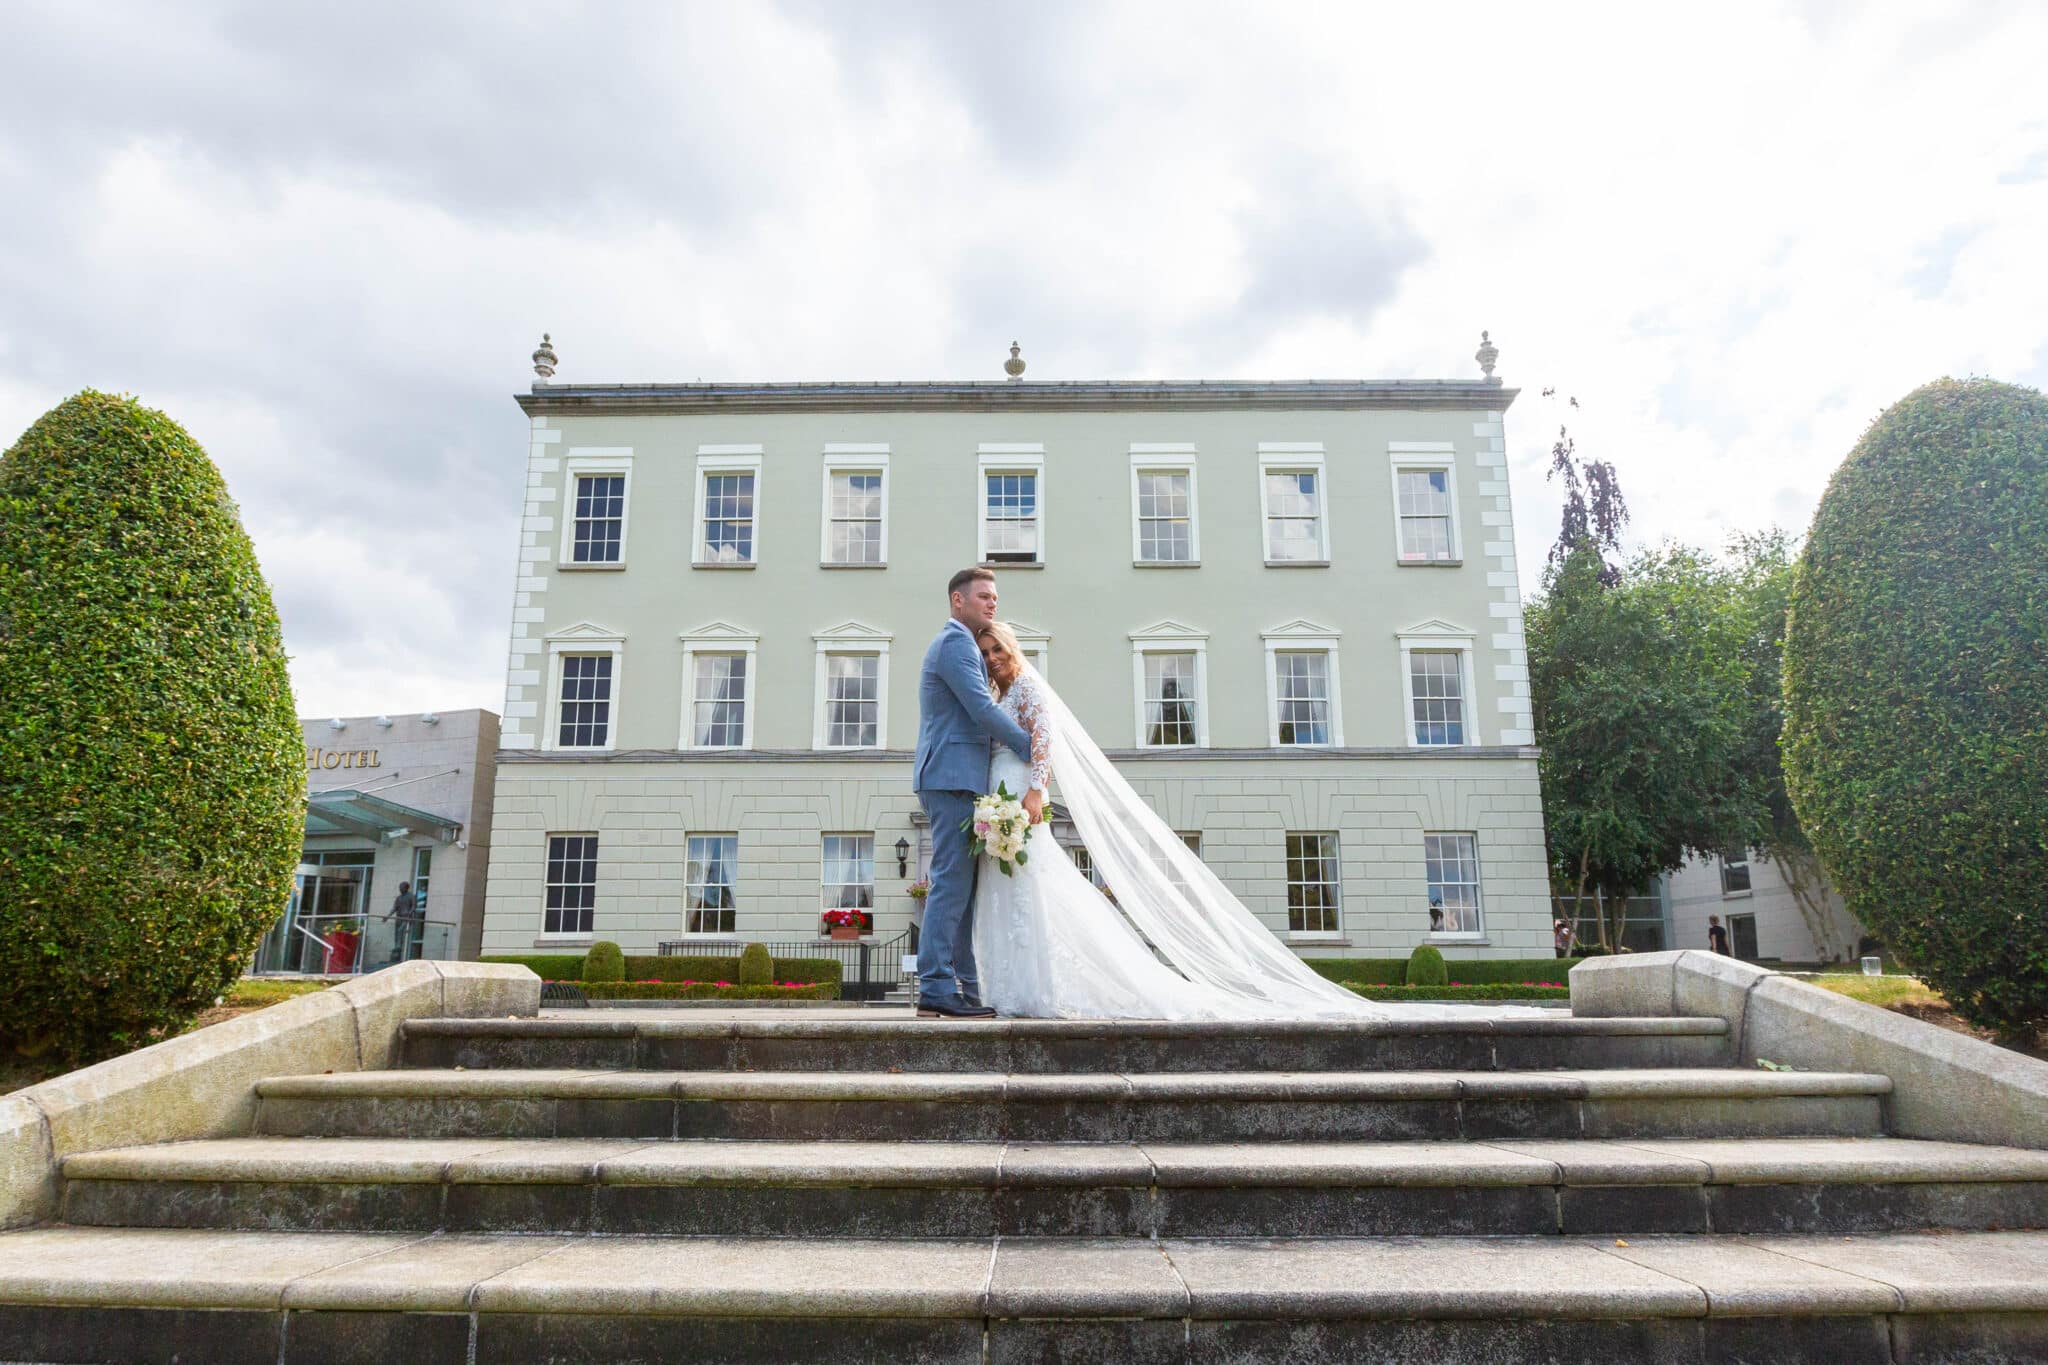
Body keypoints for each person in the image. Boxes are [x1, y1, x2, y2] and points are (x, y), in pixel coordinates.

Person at [965, 620, 1545, 1022]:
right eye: (985, 652)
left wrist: (1038, 792)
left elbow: (1045, 739)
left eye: (997, 650)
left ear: (1011, 648)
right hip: (1000, 799)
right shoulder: (997, 693)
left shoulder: (1029, 689)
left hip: (1023, 800)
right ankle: (1006, 987)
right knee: (1009, 894)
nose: (992, 658)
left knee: (1031, 895)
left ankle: (1031, 991)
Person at [909, 568, 1035, 1019]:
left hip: (958, 777)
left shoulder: (964, 645)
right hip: (950, 777)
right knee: (949, 884)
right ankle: (938, 987)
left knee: (961, 890)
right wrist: (1029, 746)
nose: (992, 603)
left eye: (995, 597)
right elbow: (980, 709)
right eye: (983, 596)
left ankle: (963, 987)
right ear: (958, 601)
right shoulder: (955, 643)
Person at [389, 881, 423, 964]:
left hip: (407, 918)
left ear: (406, 888)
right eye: (399, 887)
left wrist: (410, 914)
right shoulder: (399, 898)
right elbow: (394, 908)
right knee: (397, 934)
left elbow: (414, 906)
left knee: (401, 931)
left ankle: (399, 947)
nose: (400, 889)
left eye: (401, 887)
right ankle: (397, 951)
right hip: (399, 918)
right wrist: (388, 916)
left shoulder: (411, 896)